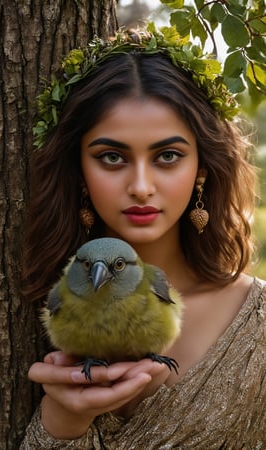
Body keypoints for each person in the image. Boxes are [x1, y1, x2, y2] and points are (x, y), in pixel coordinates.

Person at [20, 26, 266, 449]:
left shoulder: (257, 326)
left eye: (167, 156)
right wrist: (61, 421)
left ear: (202, 169)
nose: (140, 186)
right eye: (111, 157)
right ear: (79, 172)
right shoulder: (34, 309)